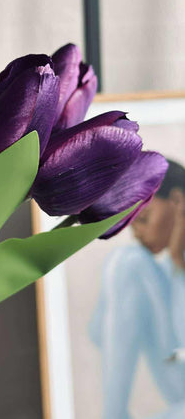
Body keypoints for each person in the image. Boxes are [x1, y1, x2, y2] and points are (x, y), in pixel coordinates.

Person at [90, 160, 185, 419]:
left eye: (143, 219)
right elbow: (98, 333)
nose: (137, 234)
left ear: (178, 202)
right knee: (126, 261)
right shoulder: (159, 270)